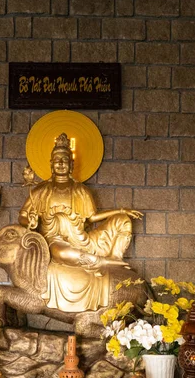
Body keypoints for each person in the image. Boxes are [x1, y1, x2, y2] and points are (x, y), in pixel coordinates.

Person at [18, 133, 143, 313]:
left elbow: (92, 218)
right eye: (57, 160)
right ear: (51, 164)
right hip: (56, 242)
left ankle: (114, 259)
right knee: (60, 251)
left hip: (83, 240)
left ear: (71, 165)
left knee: (123, 221)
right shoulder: (41, 190)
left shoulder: (80, 190)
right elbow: (22, 216)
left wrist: (121, 211)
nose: (61, 163)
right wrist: (29, 221)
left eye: (65, 160)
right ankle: (103, 262)